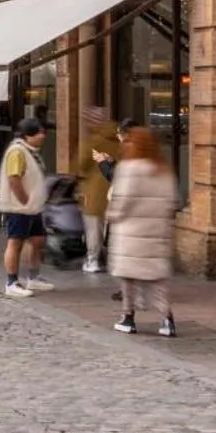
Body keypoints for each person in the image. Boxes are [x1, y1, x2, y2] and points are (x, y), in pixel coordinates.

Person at [107, 126, 178, 337]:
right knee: (157, 280)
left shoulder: (129, 168)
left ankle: (128, 317)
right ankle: (167, 319)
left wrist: (111, 215)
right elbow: (171, 203)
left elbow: (123, 201)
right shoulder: (163, 170)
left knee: (128, 278)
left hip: (130, 233)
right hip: (156, 232)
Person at [0, 117, 53, 297]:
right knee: (16, 242)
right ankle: (11, 282)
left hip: (33, 207)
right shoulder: (17, 151)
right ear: (28, 134)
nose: (43, 136)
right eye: (40, 133)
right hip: (19, 208)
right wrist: (24, 199)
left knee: (37, 241)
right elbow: (14, 178)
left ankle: (33, 277)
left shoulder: (30, 151)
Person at [72, 106, 118, 274]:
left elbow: (81, 164)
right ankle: (115, 261)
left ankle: (93, 260)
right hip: (117, 187)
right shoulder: (119, 138)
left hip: (96, 189)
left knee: (94, 226)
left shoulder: (93, 141)